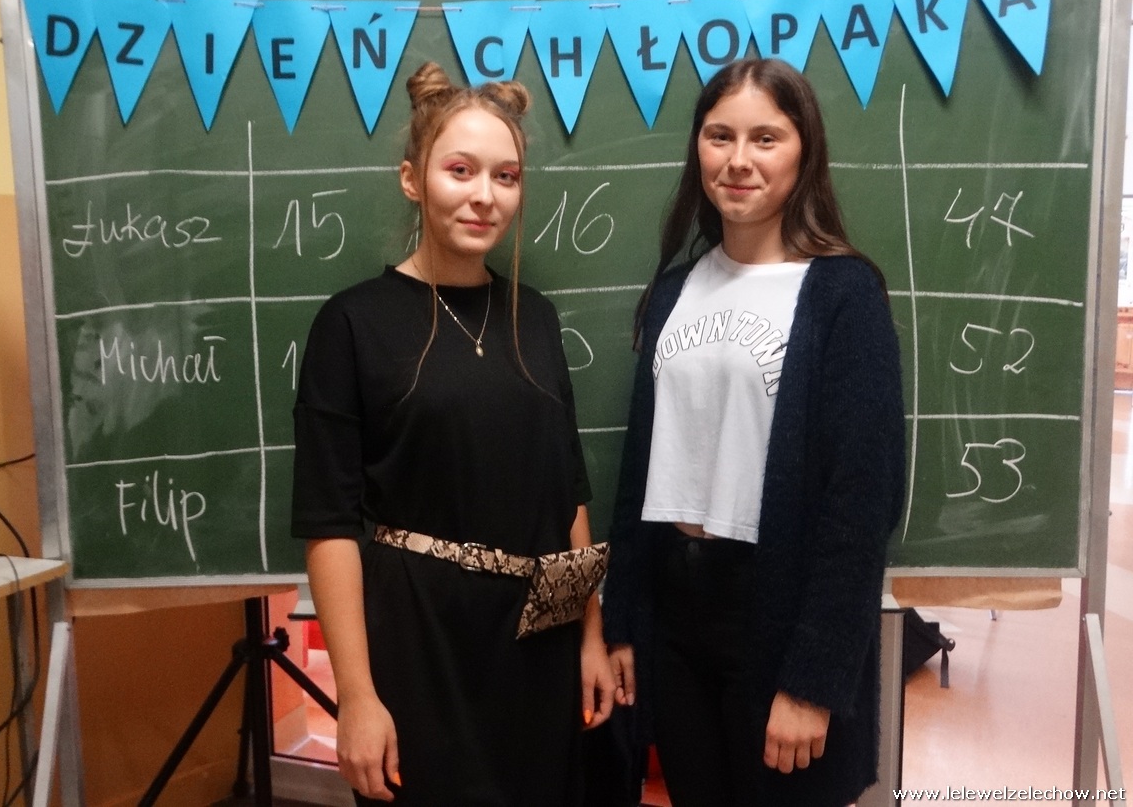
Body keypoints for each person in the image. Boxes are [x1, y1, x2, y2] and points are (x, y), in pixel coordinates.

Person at [291, 61, 615, 806]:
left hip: (540, 641)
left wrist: (591, 636)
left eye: (506, 177)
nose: (484, 195)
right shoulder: (352, 323)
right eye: (460, 170)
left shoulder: (536, 318)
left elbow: (568, 490)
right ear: (413, 179)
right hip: (418, 643)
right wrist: (356, 697)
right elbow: (329, 525)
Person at [601, 58, 906, 807]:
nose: (739, 160)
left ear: (804, 152)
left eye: (766, 138)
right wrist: (624, 621)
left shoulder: (843, 294)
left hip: (776, 609)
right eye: (720, 136)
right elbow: (641, 468)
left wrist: (813, 681)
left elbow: (860, 501)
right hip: (676, 612)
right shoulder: (675, 289)